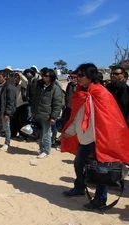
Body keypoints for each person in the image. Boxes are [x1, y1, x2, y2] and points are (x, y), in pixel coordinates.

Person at [59, 63, 129, 211]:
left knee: (101, 170)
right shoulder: (80, 92)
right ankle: (79, 187)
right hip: (85, 138)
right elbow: (77, 116)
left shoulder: (101, 93)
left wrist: (106, 138)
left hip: (99, 139)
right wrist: (68, 133)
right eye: (77, 75)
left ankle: (100, 200)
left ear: (90, 76)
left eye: (81, 75)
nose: (78, 78)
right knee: (79, 164)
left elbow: (110, 119)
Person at [31, 68, 63, 158]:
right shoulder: (39, 86)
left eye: (46, 76)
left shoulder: (55, 88)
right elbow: (35, 100)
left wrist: (53, 116)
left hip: (47, 114)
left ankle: (46, 151)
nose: (44, 77)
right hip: (38, 113)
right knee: (41, 132)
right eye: (43, 75)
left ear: (51, 77)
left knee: (46, 133)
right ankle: (41, 148)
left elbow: (57, 104)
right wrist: (33, 111)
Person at [10, 72, 28, 139]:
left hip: (22, 105)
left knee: (22, 122)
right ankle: (14, 134)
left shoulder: (22, 84)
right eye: (15, 77)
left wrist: (20, 74)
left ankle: (24, 136)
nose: (16, 78)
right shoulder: (13, 85)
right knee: (15, 121)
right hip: (15, 105)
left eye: (17, 77)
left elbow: (26, 81)